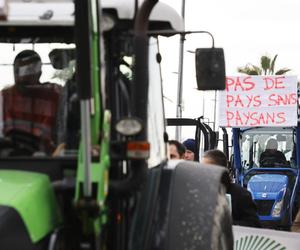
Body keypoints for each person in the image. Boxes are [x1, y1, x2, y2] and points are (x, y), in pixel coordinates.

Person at [1, 50, 62, 155]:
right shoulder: (4, 97)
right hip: (11, 159)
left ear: (39, 73)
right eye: (17, 71)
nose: (20, 76)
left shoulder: (55, 95)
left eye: (27, 71)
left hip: (46, 161)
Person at [201, 149, 261, 228]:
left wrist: (226, 224)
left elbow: (254, 224)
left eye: (207, 169)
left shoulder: (241, 194)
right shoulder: (199, 191)